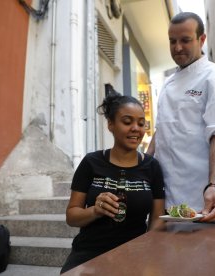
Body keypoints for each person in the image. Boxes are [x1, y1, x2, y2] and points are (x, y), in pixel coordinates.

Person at [60, 92, 165, 273]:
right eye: (127, 122)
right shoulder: (91, 162)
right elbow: (72, 216)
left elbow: (157, 218)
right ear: (111, 125)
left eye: (141, 123)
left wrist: (149, 249)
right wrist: (95, 210)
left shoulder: (152, 166)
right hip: (89, 252)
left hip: (135, 252)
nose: (136, 128)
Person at [146, 12, 215, 222]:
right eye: (172, 41)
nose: (177, 47)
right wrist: (142, 164)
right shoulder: (168, 83)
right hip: (167, 200)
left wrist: (214, 186)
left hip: (203, 201)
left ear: (201, 39)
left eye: (185, 40)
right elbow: (162, 130)